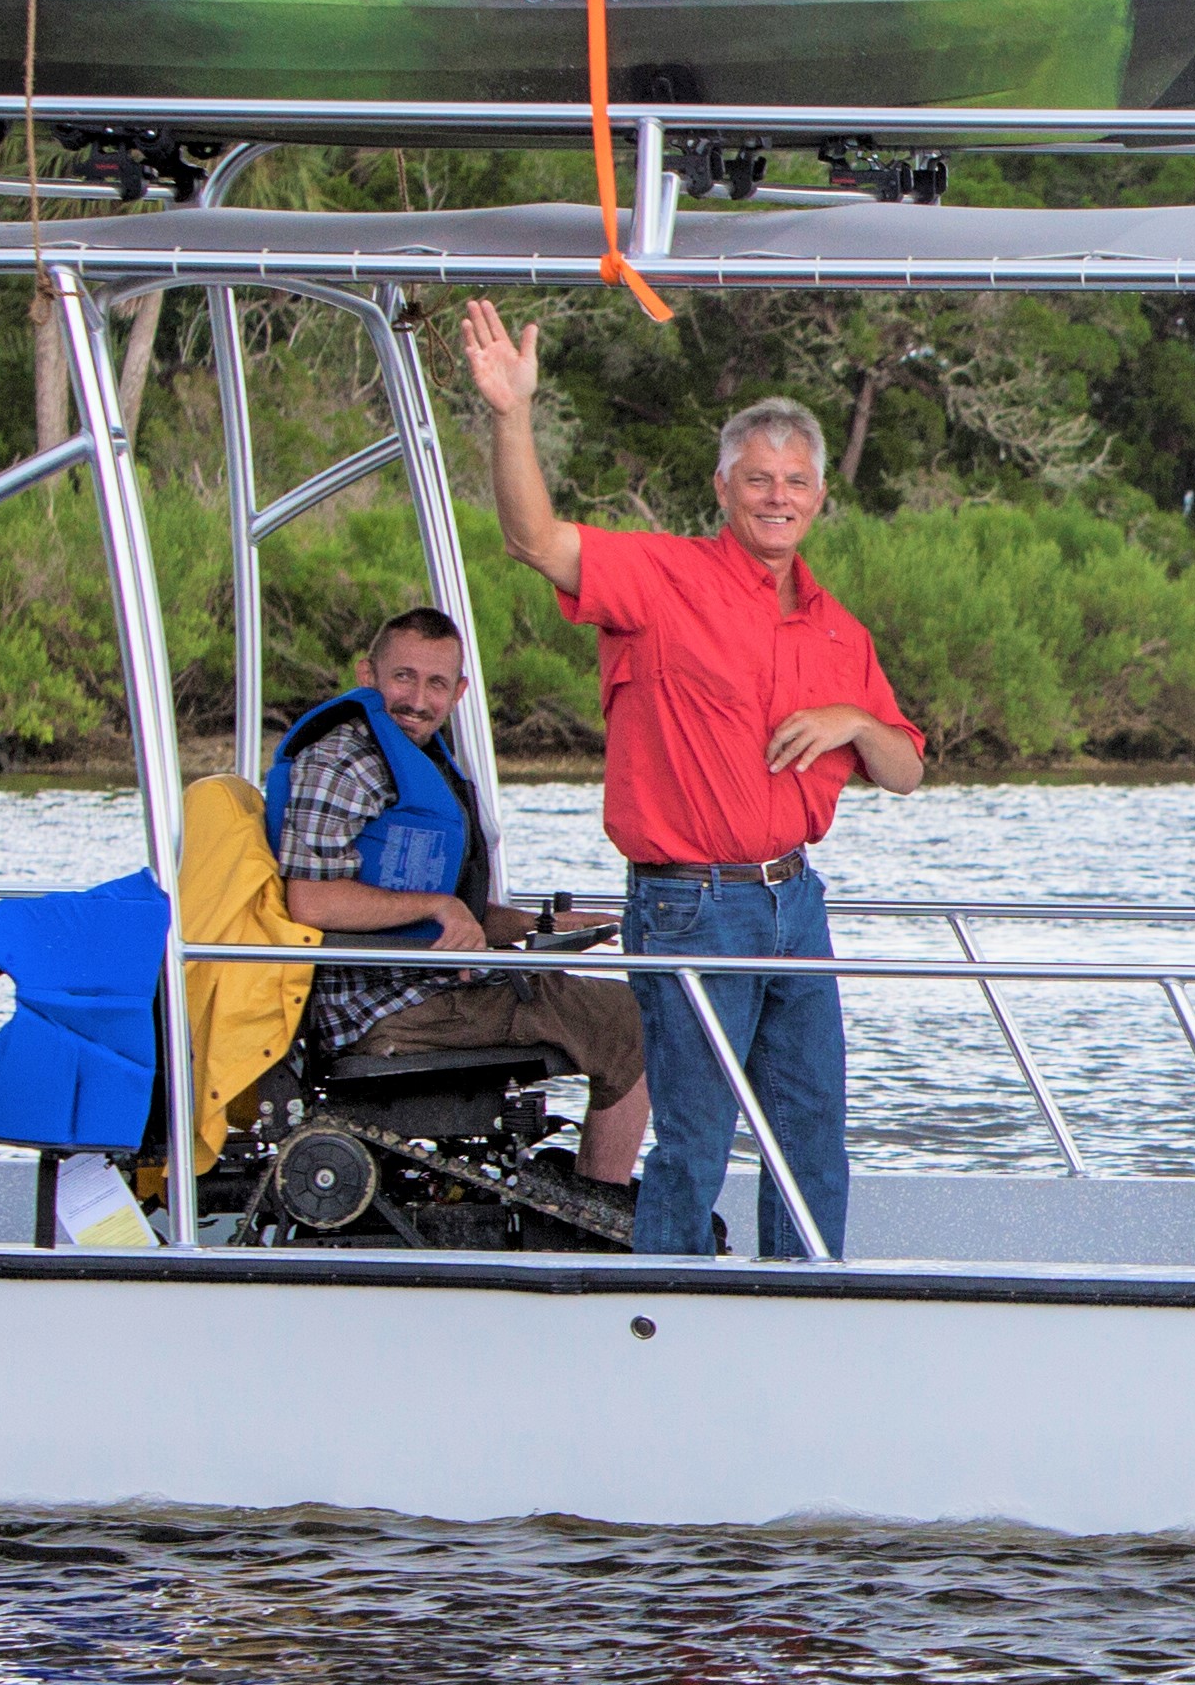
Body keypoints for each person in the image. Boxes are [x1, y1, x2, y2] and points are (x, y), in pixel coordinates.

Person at [455, 298, 924, 1260]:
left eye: (796, 481)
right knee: (696, 1140)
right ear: (723, 488)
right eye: (759, 479)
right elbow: (536, 541)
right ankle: (668, 1310)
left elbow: (906, 769)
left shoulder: (840, 630)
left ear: (820, 497)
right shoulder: (662, 579)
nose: (778, 496)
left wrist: (857, 721)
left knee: (812, 1136)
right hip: (690, 904)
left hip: (796, 901)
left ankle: (805, 1300)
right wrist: (511, 414)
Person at [265, 605, 652, 1197]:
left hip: (424, 987)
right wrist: (437, 909)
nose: (418, 699)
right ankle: (601, 1209)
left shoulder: (415, 758)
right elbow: (312, 901)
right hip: (379, 1007)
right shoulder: (343, 760)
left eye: (436, 683)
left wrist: (537, 923)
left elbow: (454, 906)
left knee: (606, 999)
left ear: (459, 691)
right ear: (367, 675)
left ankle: (591, 1194)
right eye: (403, 677)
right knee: (636, 1023)